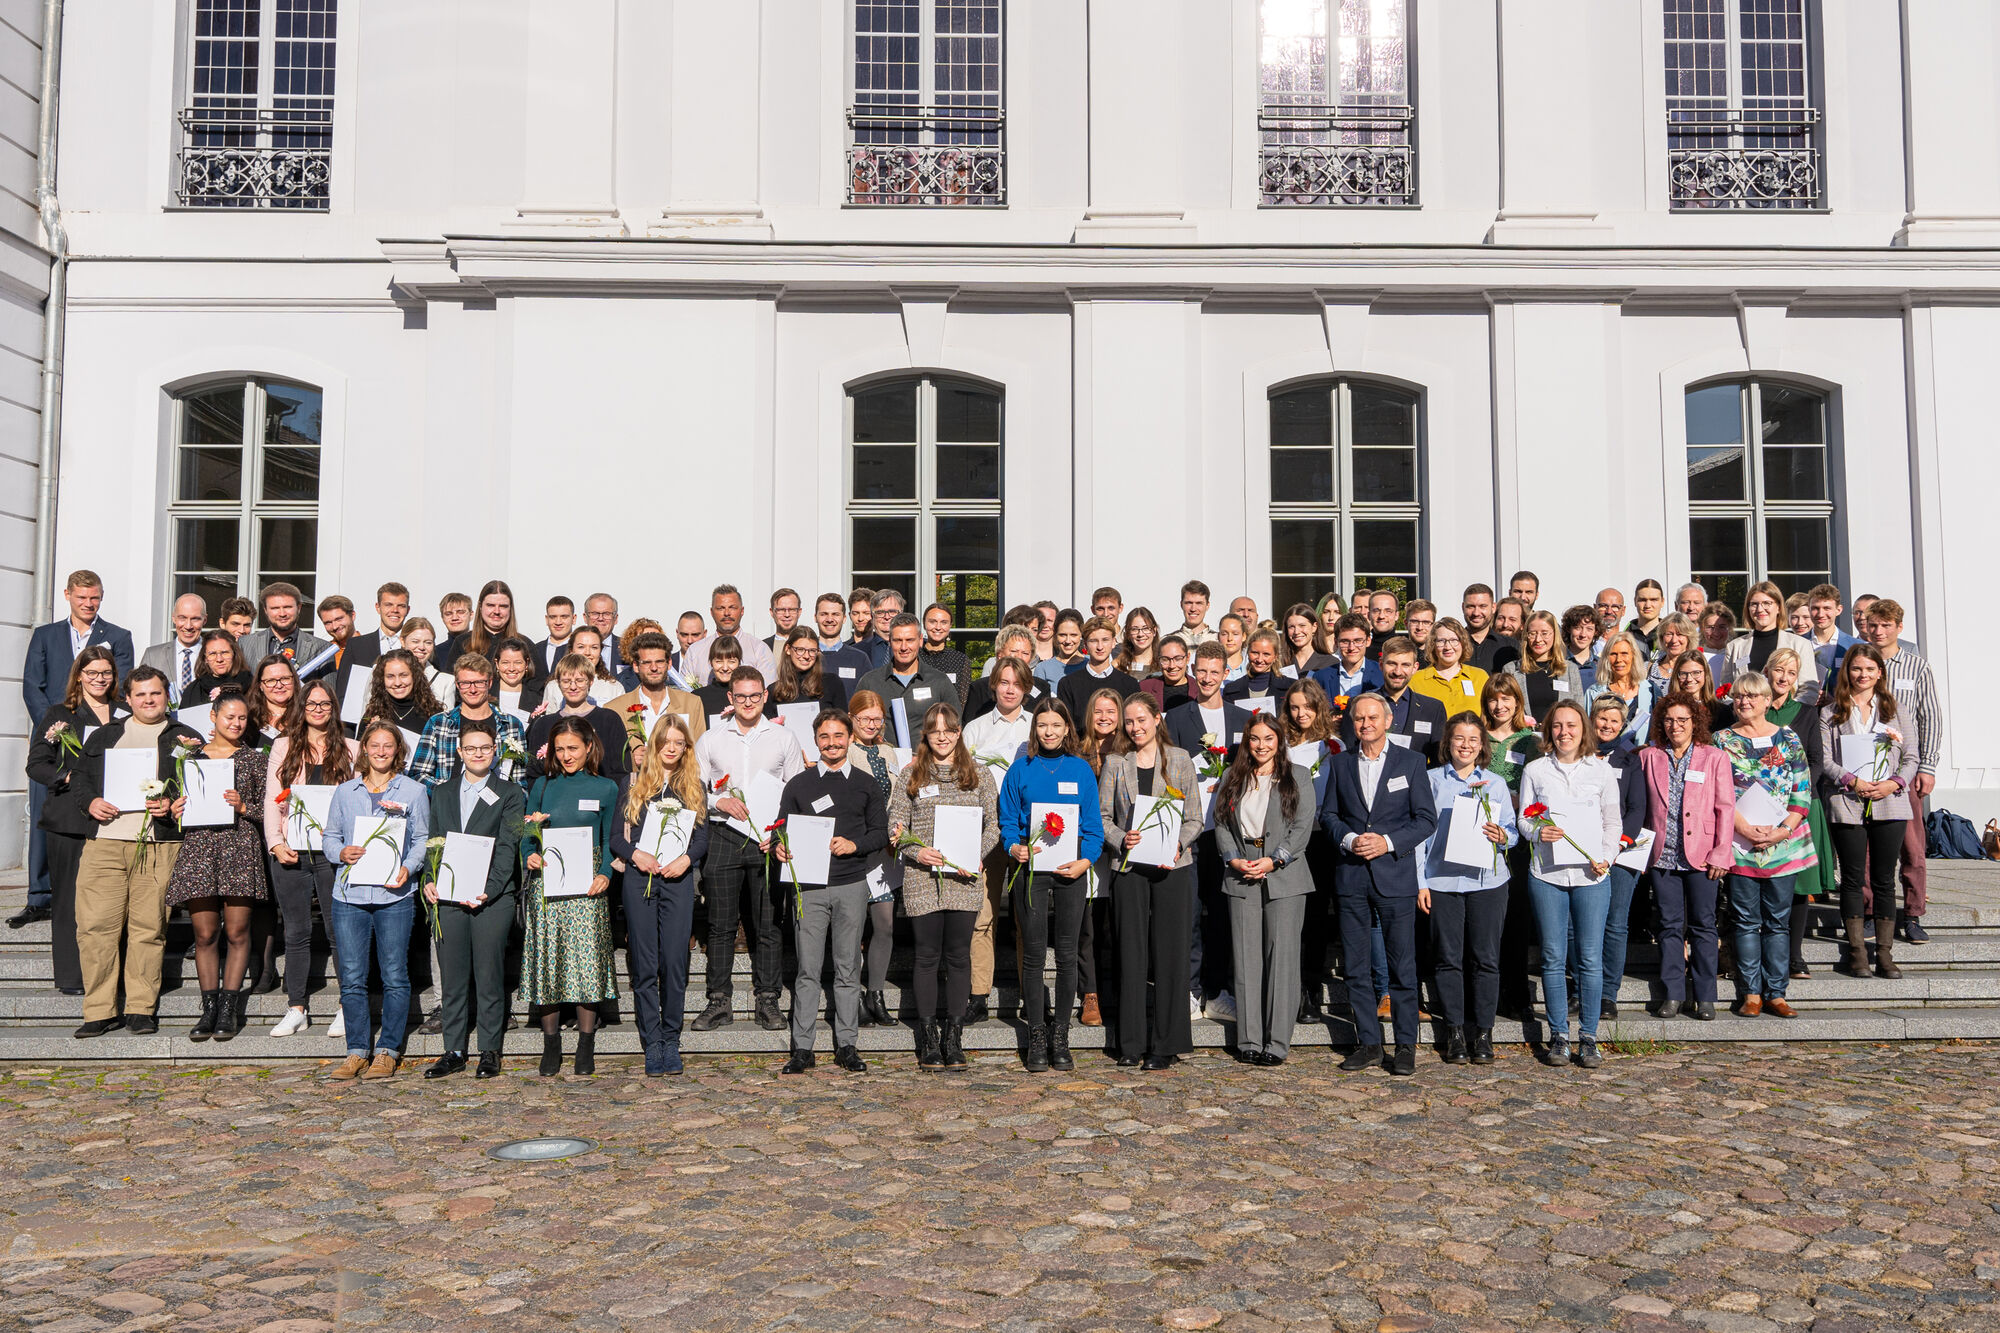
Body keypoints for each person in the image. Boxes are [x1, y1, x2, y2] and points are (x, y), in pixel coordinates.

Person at [72, 668, 200, 1037]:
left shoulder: (185, 737)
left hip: (158, 844)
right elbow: (79, 778)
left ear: (166, 697)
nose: (148, 700)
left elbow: (200, 786)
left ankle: (141, 1008)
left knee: (149, 928)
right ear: (127, 699)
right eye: (141, 694)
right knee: (96, 928)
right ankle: (99, 1010)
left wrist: (174, 804)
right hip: (106, 843)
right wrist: (91, 801)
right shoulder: (105, 735)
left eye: (156, 694)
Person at [1322, 692, 1436, 1076]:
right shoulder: (1339, 765)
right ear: (1351, 723)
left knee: (1402, 968)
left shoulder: (1412, 762)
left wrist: (1386, 842)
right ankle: (1369, 1043)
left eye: (1373, 717)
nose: (1366, 724)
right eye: (1359, 718)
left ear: (1387, 720)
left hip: (1395, 877)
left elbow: (1425, 819)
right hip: (1352, 877)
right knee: (1356, 968)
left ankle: (1405, 1046)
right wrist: (1350, 839)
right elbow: (1330, 815)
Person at [773, 709, 889, 1075]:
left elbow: (880, 833)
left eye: (839, 736)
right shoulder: (799, 785)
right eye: (825, 737)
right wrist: (780, 847)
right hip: (809, 888)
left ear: (850, 738)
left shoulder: (867, 784)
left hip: (852, 883)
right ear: (816, 740)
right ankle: (803, 1048)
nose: (832, 743)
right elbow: (781, 829)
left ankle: (847, 1044)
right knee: (807, 969)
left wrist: (853, 845)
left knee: (846, 967)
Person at [691, 666, 806, 1033]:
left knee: (768, 924)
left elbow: (795, 791)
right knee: (720, 925)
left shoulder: (783, 737)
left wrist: (782, 835)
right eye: (740, 696)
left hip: (767, 842)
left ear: (765, 696)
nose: (748, 703)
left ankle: (768, 999)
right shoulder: (711, 739)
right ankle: (718, 1001)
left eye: (755, 696)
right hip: (723, 836)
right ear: (730, 698)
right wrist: (717, 802)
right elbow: (693, 790)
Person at [887, 703, 1000, 1072]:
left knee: (958, 956)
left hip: (964, 878)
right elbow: (897, 827)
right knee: (926, 956)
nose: (941, 736)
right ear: (926, 734)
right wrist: (917, 852)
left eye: (948, 729)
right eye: (934, 730)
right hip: (923, 880)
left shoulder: (980, 775)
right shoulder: (911, 776)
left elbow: (993, 826)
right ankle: (928, 1036)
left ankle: (954, 1035)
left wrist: (977, 854)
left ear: (958, 732)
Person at [1095, 693, 1202, 1069]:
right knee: (1131, 953)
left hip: (1172, 866)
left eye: (1142, 719)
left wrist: (1178, 843)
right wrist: (1120, 838)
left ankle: (1166, 1044)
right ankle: (1131, 1042)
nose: (1135, 727)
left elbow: (1194, 818)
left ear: (1157, 719)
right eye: (1129, 721)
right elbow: (1102, 817)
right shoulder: (1115, 763)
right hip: (1128, 868)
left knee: (1170, 954)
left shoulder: (1180, 760)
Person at [998, 698, 1105, 1074]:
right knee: (1031, 955)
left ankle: (1062, 1033)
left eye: (1056, 725)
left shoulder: (1080, 770)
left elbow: (1093, 826)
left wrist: (1086, 860)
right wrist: (1013, 846)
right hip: (1031, 873)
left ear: (1066, 729)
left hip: (1070, 872)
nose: (1049, 732)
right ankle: (1037, 1034)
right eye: (1042, 725)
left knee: (1065, 954)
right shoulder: (1020, 769)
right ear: (1034, 729)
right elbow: (1007, 821)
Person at [415, 719, 524, 1081]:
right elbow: (433, 842)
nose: (478, 754)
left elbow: (509, 848)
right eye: (471, 748)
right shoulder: (442, 793)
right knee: (454, 977)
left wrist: (489, 889)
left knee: (490, 975)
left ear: (495, 753)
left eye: (485, 748)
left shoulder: (510, 793)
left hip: (491, 897)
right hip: (448, 897)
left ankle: (490, 1050)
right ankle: (455, 1050)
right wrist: (429, 881)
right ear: (459, 753)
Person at [1516, 699, 1622, 1068]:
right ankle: (1559, 1035)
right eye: (1557, 725)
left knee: (1590, 958)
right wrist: (1538, 832)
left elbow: (1613, 822)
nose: (1564, 732)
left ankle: (1589, 1037)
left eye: (1571, 725)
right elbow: (1523, 822)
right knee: (1552, 955)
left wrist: (1607, 857)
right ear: (1549, 731)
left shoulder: (1601, 771)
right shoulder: (1535, 771)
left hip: (1592, 875)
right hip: (1548, 875)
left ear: (1584, 730)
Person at [322, 720, 430, 1080]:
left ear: (398, 750)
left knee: (394, 975)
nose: (381, 752)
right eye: (375, 745)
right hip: (350, 895)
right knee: (352, 977)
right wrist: (342, 852)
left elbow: (421, 840)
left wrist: (410, 867)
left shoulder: (413, 791)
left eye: (388, 746)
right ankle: (356, 1051)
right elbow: (329, 837)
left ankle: (387, 1050)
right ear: (363, 750)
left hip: (393, 894)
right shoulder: (345, 792)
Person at [162, 690, 268, 1042]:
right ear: (213, 717)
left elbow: (270, 810)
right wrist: (175, 808)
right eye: (229, 717)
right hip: (200, 849)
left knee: (237, 932)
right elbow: (176, 799)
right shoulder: (188, 757)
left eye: (241, 719)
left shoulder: (255, 759)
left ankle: (229, 1008)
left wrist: (244, 807)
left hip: (239, 847)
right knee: (205, 933)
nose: (236, 724)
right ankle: (207, 1008)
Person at [1212, 712, 1317, 1068]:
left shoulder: (1297, 776)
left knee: (1282, 960)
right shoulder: (1232, 776)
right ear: (1247, 741)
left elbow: (1302, 827)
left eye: (1268, 739)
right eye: (1255, 739)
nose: (1261, 746)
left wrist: (1276, 860)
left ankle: (1276, 1042)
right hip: (1242, 871)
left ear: (1279, 741)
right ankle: (1250, 1040)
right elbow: (1221, 824)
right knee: (1246, 960)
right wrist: (1232, 858)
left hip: (1284, 875)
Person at [519, 715, 619, 1076]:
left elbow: (610, 839)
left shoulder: (607, 788)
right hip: (549, 881)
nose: (566, 756)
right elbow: (528, 835)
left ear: (589, 747)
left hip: (588, 882)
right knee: (549, 957)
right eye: (559, 749)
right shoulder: (542, 787)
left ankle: (585, 1044)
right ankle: (551, 1046)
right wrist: (528, 852)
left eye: (573, 748)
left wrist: (606, 872)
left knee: (587, 959)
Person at [1714, 671, 1817, 1018]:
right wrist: (1743, 827)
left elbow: (1803, 790)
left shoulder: (1787, 738)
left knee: (1777, 921)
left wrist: (1782, 830)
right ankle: (1751, 994)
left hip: (1782, 844)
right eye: (1740, 696)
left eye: (1753, 696)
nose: (1745, 702)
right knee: (1744, 920)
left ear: (1766, 701)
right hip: (1739, 842)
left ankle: (1776, 992)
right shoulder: (1721, 741)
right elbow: (1717, 792)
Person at [609, 715, 708, 1076]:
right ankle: (653, 1041)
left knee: (674, 962)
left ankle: (671, 1038)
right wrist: (637, 855)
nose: (671, 747)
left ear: (686, 748)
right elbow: (616, 839)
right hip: (640, 879)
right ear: (654, 744)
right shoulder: (633, 783)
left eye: (678, 742)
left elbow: (702, 839)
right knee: (646, 962)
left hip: (678, 880)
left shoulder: (694, 786)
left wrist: (686, 860)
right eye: (665, 740)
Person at [262, 677, 359, 1038]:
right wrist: (274, 841)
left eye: (325, 704)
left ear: (334, 709)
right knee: (297, 930)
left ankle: (346, 1006)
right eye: (311, 704)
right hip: (291, 849)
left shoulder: (351, 748)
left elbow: (357, 801)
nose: (318, 710)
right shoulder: (284, 745)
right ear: (301, 709)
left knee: (339, 931)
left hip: (334, 853)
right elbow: (273, 797)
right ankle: (296, 1007)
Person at [1419, 715, 1518, 1065]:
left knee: (1486, 959)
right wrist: (1421, 882)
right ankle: (1455, 1032)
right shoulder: (1430, 781)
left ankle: (1484, 1033)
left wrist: (1503, 836)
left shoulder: (1495, 784)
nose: (1465, 745)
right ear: (1448, 742)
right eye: (1459, 738)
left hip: (1487, 882)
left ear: (1482, 745)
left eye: (1473, 739)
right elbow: (1419, 836)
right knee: (1447, 959)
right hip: (1442, 881)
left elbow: (1512, 831)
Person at [1817, 645, 1919, 981]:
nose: (1863, 675)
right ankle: (1858, 953)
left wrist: (1893, 783)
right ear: (1847, 672)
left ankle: (1885, 955)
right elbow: (1826, 759)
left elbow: (1911, 757)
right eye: (1857, 669)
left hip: (1889, 800)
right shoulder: (1832, 711)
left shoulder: (1896, 709)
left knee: (1884, 880)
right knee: (1851, 877)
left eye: (1870, 670)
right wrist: (1852, 780)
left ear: (1880, 673)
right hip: (1848, 800)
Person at [25, 646, 119, 995]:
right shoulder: (59, 714)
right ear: (79, 675)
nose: (99, 679)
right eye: (92, 673)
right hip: (69, 820)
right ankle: (71, 976)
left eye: (105, 673)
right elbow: (37, 764)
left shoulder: (124, 712)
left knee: (109, 901)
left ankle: (110, 973)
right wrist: (68, 778)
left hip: (113, 818)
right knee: (68, 899)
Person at [1639, 693, 1736, 1021]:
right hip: (1663, 856)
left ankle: (1705, 994)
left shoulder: (1714, 758)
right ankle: (1673, 992)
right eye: (1669, 720)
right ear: (1660, 723)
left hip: (1704, 857)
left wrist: (1722, 851)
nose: (1675, 725)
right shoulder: (1650, 757)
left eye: (1683, 719)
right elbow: (1641, 809)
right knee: (1668, 926)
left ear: (1695, 722)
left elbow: (1725, 807)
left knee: (1704, 925)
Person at [1857, 599, 1940, 944]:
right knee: (1866, 849)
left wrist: (1928, 765)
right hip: (1863, 766)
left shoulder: (1916, 667)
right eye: (1873, 624)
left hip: (1903, 769)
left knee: (1911, 845)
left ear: (1898, 628)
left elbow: (1930, 718)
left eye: (1885, 625)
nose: (1878, 631)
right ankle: (1871, 912)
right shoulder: (1859, 663)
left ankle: (1914, 913)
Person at [1764, 647, 1834, 978]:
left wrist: (1796, 794)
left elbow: (1817, 760)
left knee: (1797, 885)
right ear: (1767, 671)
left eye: (1791, 673)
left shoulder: (1806, 713)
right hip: (1760, 808)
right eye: (1779, 669)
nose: (1783, 677)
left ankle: (1794, 955)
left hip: (1801, 806)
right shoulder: (1755, 709)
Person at [839, 690, 904, 1025]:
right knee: (853, 926)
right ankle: (851, 998)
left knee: (885, 923)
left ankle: (875, 994)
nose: (871, 724)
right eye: (864, 718)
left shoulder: (890, 750)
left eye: (877, 718)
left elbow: (899, 795)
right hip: (853, 850)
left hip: (884, 852)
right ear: (852, 718)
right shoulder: (843, 750)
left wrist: (898, 825)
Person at [1589, 696, 1648, 1022]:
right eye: (1602, 719)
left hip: (1620, 855)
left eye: (1614, 721)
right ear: (1592, 719)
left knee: (1614, 924)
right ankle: (1581, 988)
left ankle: (1608, 994)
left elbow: (1636, 807)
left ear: (1622, 725)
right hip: (1583, 852)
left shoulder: (1629, 761)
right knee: (1579, 926)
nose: (1608, 726)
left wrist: (1617, 845)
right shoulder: (1578, 756)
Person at [407, 653, 529, 789]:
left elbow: (520, 782)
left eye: (479, 683)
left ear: (489, 683)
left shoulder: (511, 725)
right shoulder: (439, 723)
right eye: (465, 683)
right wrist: (449, 793)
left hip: (496, 806)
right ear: (457, 685)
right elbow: (418, 775)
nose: (472, 690)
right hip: (449, 806)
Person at [858, 613, 962, 747]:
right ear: (889, 642)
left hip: (927, 762)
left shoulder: (939, 681)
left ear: (920, 641)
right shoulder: (871, 682)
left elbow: (955, 726)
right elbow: (856, 726)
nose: (903, 647)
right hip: (883, 761)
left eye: (909, 640)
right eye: (897, 640)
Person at [1342, 637, 1446, 763]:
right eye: (1392, 664)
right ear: (1381, 664)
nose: (1398, 672)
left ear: (1415, 668)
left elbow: (1438, 762)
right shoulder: (1357, 704)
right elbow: (1348, 754)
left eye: (1405, 665)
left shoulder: (1432, 709)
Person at [605, 631, 708, 756]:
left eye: (659, 661)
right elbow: (611, 760)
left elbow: (699, 753)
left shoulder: (692, 703)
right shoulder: (615, 709)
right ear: (636, 666)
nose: (654, 668)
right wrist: (632, 759)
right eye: (647, 662)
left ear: (669, 664)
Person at [1721, 581, 1822, 703]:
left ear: (1779, 607)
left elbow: (1809, 689)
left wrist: (1788, 713)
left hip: (1787, 719)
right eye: (1754, 604)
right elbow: (1725, 690)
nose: (1760, 609)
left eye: (1767, 603)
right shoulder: (1735, 647)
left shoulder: (1800, 645)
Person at [681, 585, 780, 685]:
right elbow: (684, 694)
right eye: (720, 608)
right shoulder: (695, 651)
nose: (727, 613)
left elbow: (768, 692)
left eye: (732, 608)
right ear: (711, 612)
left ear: (742, 611)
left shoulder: (759, 649)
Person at [1503, 610, 1582, 728]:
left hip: (1559, 738)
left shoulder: (1570, 670)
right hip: (1521, 739)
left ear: (1555, 634)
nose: (1538, 639)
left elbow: (1579, 712)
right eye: (1532, 633)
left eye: (1544, 633)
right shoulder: (1511, 670)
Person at [1057, 615, 1142, 721]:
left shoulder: (1130, 685)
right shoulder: (1068, 685)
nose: (1100, 647)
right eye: (1093, 641)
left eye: (1105, 640)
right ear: (1085, 645)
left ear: (1113, 642)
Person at [1584, 631, 1653, 750]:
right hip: (1602, 760)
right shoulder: (1594, 692)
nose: (1619, 659)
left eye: (1624, 653)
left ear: (1634, 656)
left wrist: (1646, 747)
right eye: (1613, 654)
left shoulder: (1650, 691)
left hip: (1638, 761)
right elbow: (1585, 730)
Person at [1409, 617, 1488, 719]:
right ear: (1433, 645)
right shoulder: (1416, 680)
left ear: (1463, 643)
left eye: (1454, 640)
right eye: (1441, 641)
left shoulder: (1479, 677)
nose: (1447, 647)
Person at [238, 581, 329, 669]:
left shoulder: (321, 648)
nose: (282, 614)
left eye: (287, 607)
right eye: (275, 608)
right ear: (265, 610)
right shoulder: (244, 644)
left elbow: (327, 685)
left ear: (299, 608)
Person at [358, 649, 443, 739]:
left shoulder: (433, 713)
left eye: (403, 675)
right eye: (390, 676)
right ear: (382, 679)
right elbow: (359, 747)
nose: (397, 683)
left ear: (414, 676)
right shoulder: (370, 714)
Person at [141, 593, 208, 705]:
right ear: (174, 618)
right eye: (182, 618)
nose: (188, 626)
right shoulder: (153, 655)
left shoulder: (215, 655)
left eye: (195, 619)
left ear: (204, 620)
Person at [769, 627, 851, 714]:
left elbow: (843, 723)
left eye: (812, 651)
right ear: (788, 649)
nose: (806, 656)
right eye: (800, 650)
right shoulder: (774, 690)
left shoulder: (832, 683)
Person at [1311, 613, 1385, 703]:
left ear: (1368, 641)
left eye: (1358, 641)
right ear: (1336, 642)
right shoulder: (1321, 677)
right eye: (1345, 641)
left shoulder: (1381, 674)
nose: (1351, 647)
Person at [920, 603, 973, 703]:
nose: (938, 627)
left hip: (951, 716)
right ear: (924, 623)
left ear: (950, 625)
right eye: (932, 622)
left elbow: (964, 699)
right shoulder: (915, 657)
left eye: (944, 622)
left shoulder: (960, 660)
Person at [1804, 583, 1858, 680]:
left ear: (1838, 610)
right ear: (1809, 609)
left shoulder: (1855, 646)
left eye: (1827, 608)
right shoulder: (1796, 643)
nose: (1820, 614)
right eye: (1815, 608)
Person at [1221, 628, 1287, 707]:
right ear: (1248, 652)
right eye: (1255, 653)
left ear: (1275, 656)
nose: (1259, 660)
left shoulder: (1290, 687)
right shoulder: (1231, 689)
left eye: (1266, 654)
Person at [185, 629, 252, 704]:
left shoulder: (251, 684)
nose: (219, 659)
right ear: (205, 658)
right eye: (212, 654)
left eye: (224, 653)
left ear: (234, 654)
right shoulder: (194, 690)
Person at [247, 653, 302, 744]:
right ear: (260, 685)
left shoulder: (305, 715)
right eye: (271, 681)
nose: (279, 685)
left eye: (285, 678)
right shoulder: (249, 717)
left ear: (294, 680)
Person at [401, 617, 454, 707]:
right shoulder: (382, 671)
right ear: (402, 641)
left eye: (428, 642)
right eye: (415, 641)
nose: (421, 647)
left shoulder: (446, 682)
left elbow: (447, 719)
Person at [1463, 584, 1516, 674]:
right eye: (1471, 606)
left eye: (1482, 606)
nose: (1476, 613)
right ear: (1463, 607)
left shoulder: (1510, 646)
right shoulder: (1452, 646)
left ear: (1493, 608)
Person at [565, 626, 624, 704]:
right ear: (571, 651)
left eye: (594, 647)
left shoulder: (614, 688)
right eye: (581, 647)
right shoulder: (554, 687)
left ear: (600, 651)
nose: (587, 653)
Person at [492, 638, 546, 722]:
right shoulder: (484, 696)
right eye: (505, 662)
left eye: (518, 662)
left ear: (526, 664)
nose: (511, 668)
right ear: (497, 664)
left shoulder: (538, 700)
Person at [1648, 614, 1699, 700]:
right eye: (1669, 634)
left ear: (1689, 638)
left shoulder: (1697, 667)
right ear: (1661, 637)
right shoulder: (1649, 667)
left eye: (1680, 634)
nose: (1674, 640)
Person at [1278, 604, 1334, 679]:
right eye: (1291, 627)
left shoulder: (1331, 663)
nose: (1296, 632)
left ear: (1314, 627)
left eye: (1302, 625)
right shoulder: (1279, 662)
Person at [1034, 609, 1085, 690]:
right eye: (1062, 635)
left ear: (1081, 635)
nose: (1068, 641)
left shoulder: (1092, 664)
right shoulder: (1043, 668)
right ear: (1055, 635)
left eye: (1073, 635)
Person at [1147, 634, 1194, 713]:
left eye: (1178, 659)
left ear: (1188, 658)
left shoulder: (1200, 690)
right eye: (1165, 659)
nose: (1172, 666)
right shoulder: (1145, 688)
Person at [1115, 606, 1164, 679]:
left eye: (1146, 628)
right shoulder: (1118, 666)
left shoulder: (1164, 664)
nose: (1140, 634)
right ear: (1128, 633)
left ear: (1154, 631)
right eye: (1134, 629)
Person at [534, 595, 576, 678]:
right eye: (553, 617)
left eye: (564, 617)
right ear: (547, 619)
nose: (558, 622)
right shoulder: (535, 649)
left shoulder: (580, 649)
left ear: (574, 619)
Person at [1560, 605, 1600, 691]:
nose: (1583, 634)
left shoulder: (1602, 666)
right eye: (1577, 628)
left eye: (1589, 629)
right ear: (1568, 629)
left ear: (1596, 632)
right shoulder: (1557, 663)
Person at [583, 592, 623, 674]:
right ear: (585, 617)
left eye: (607, 614)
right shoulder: (571, 648)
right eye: (595, 613)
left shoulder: (627, 648)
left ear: (615, 619)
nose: (600, 618)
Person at [1171, 580, 1215, 646]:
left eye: (1199, 603)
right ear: (1181, 604)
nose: (1193, 609)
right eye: (1189, 603)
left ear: (1207, 606)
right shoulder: (1168, 641)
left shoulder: (1219, 640)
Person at [1628, 579, 1665, 651]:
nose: (1648, 605)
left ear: (1662, 602)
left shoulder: (1670, 635)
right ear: (1635, 601)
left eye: (1653, 600)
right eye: (1643, 600)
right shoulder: (1625, 635)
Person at [765, 587, 803, 655]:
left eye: (792, 610)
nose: (787, 614)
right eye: (781, 610)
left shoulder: (812, 646)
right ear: (772, 612)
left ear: (799, 612)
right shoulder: (762, 647)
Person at [1215, 613, 1249, 679]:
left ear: (1244, 636)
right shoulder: (1210, 666)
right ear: (1218, 636)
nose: (1230, 638)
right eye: (1224, 634)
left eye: (1235, 634)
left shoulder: (1252, 667)